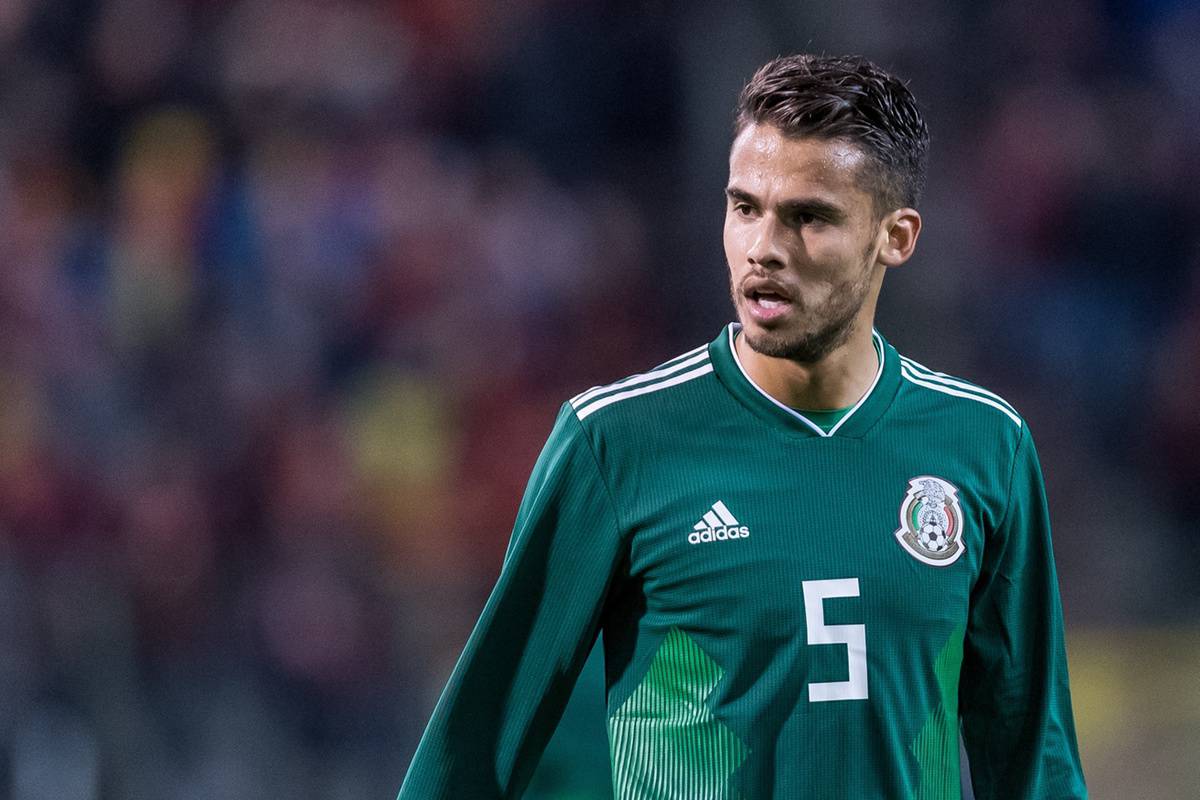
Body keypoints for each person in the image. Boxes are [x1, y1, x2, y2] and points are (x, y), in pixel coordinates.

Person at [397, 54, 1087, 799]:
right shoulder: (616, 442)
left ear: (897, 236)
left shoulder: (983, 445)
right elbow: (471, 754)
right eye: (745, 207)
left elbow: (1033, 761)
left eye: (810, 217)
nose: (764, 248)